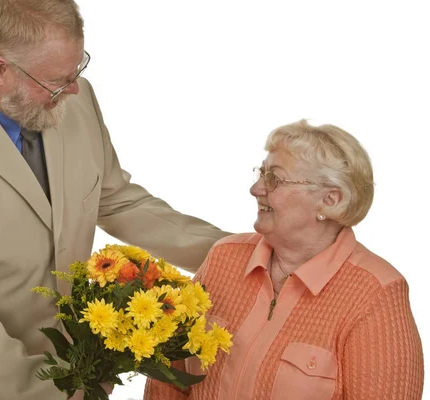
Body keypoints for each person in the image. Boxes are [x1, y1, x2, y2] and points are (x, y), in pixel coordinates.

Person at [0, 1, 229, 399]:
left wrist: (240, 255)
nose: (73, 88)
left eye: (78, 70)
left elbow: (118, 201)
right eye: (58, 80)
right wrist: (55, 388)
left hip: (71, 373)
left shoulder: (74, 97)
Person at [144, 119, 424, 399]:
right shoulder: (223, 257)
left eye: (274, 178)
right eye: (261, 173)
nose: (256, 189)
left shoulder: (375, 292)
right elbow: (169, 379)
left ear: (330, 200)